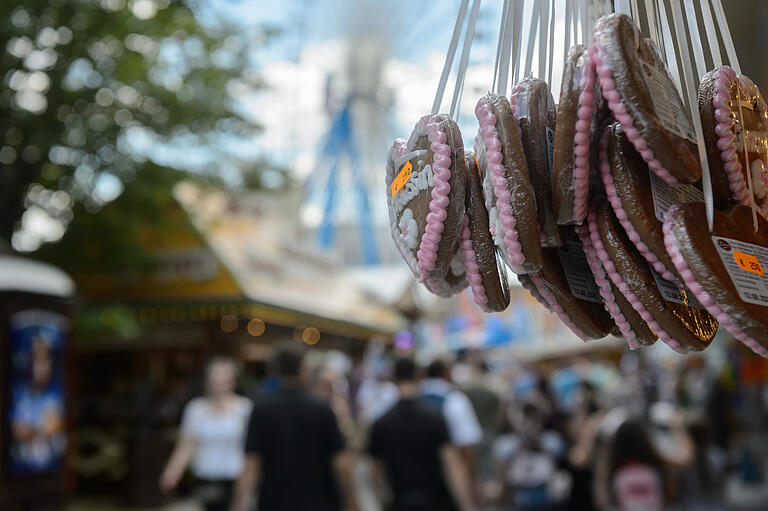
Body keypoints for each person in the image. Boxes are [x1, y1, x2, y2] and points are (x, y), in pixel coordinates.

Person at [230, 345, 357, 511]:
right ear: (303, 369)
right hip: (320, 501)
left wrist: (237, 504)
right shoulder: (322, 409)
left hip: (274, 502)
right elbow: (341, 462)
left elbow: (251, 464)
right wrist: (352, 501)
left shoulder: (261, 409)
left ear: (274, 369)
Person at [367, 357, 476, 511]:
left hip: (401, 500)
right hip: (436, 500)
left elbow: (375, 473)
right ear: (418, 376)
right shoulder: (434, 418)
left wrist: (382, 502)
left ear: (394, 377)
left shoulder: (381, 423)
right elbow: (452, 465)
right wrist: (466, 505)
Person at [159, 357, 252, 511]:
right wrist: (172, 472)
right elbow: (187, 444)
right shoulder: (195, 409)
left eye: (223, 378)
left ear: (233, 381)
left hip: (234, 477)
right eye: (214, 378)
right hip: (205, 476)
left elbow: (250, 449)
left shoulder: (244, 408)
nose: (218, 383)